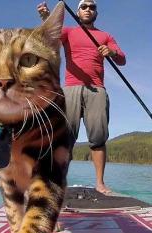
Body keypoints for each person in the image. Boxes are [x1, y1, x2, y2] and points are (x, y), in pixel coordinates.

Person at [37, 0, 126, 195]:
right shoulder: (69, 32)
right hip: (71, 89)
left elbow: (122, 59)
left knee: (98, 138)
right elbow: (49, 37)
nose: (88, 9)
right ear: (77, 12)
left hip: (97, 90)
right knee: (66, 139)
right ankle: (59, 183)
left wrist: (111, 52)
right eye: (84, 6)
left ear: (96, 12)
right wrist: (46, 17)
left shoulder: (105, 36)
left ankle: (100, 184)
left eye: (92, 7)